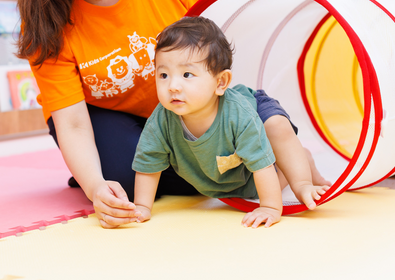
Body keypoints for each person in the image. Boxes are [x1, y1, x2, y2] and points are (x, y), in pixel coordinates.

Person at [17, 0, 292, 229]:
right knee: (129, 180)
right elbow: (70, 122)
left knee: (274, 132)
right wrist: (95, 186)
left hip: (178, 109)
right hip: (101, 115)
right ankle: (106, 166)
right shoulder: (44, 17)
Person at [132, 17, 331, 228]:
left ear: (220, 82)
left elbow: (260, 163)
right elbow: (149, 163)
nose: (173, 86)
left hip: (255, 109)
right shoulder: (161, 119)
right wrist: (142, 207)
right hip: (234, 167)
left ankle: (302, 180)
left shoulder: (239, 116)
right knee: (255, 185)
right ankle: (298, 160)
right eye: (163, 75)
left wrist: (271, 207)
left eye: (187, 74)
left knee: (276, 128)